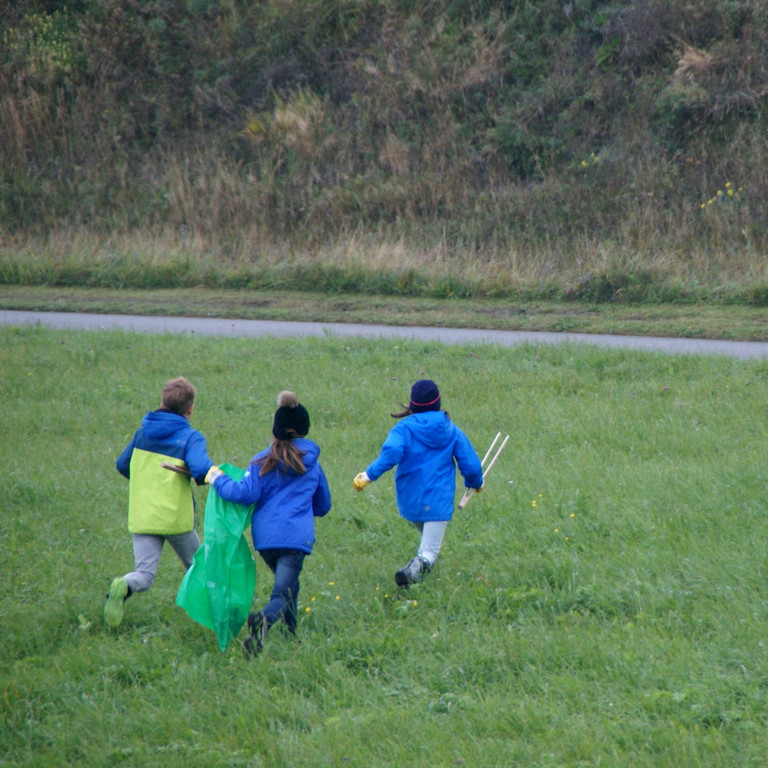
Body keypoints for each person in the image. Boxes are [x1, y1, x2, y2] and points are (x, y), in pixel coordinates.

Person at [206, 391, 331, 654]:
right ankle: (264, 619)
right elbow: (323, 505)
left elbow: (244, 494)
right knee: (281, 594)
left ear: (276, 429)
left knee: (289, 586)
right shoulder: (313, 465)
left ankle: (288, 635)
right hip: (295, 540)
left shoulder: (261, 462)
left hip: (266, 542)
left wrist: (217, 478)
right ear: (304, 430)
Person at [353, 379, 484, 588]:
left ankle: (416, 580)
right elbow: (471, 465)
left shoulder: (402, 429)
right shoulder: (451, 430)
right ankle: (412, 573)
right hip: (438, 501)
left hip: (410, 501)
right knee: (429, 552)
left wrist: (369, 475)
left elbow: (391, 452)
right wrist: (475, 483)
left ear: (413, 404)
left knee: (428, 541)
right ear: (438, 402)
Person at [105, 376, 213, 628]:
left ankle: (124, 585)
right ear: (190, 409)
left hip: (142, 515)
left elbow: (123, 465)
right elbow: (201, 469)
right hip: (175, 518)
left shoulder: (142, 434)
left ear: (162, 402)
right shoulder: (191, 437)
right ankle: (214, 617)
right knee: (199, 568)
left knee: (144, 574)